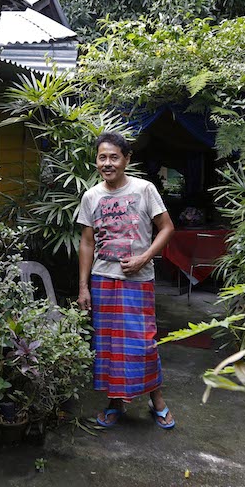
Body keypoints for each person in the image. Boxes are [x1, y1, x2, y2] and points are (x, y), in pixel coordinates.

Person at [77, 132, 176, 429]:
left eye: (114, 157)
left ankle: (157, 400)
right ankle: (115, 402)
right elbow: (87, 242)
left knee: (143, 343)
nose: (107, 163)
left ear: (127, 159)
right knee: (108, 345)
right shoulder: (91, 196)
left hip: (138, 280)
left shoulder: (144, 189)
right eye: (102, 157)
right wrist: (83, 287)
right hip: (103, 280)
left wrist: (144, 258)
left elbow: (167, 228)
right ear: (96, 161)